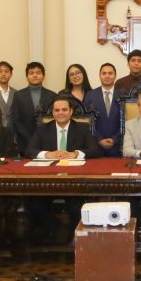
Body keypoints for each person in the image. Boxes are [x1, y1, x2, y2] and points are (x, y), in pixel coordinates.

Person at [25, 97, 97, 243]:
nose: (60, 113)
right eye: (57, 110)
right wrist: (47, 154)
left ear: (71, 112)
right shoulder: (42, 129)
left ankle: (73, 235)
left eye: (64, 109)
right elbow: (29, 150)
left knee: (75, 206)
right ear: (52, 113)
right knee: (34, 204)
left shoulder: (82, 128)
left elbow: (94, 150)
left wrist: (75, 154)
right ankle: (56, 227)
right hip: (47, 181)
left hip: (74, 181)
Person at [11, 62, 56, 155]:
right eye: (31, 73)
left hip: (48, 142)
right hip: (25, 142)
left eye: (38, 73)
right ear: (27, 77)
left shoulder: (53, 95)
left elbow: (56, 119)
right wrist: (30, 138)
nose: (35, 75)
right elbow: (16, 120)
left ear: (43, 76)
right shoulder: (18, 95)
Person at [85, 62, 122, 157]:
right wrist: (99, 139)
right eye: (104, 73)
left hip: (119, 147)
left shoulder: (123, 94)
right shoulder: (90, 95)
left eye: (110, 73)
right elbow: (86, 121)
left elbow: (127, 121)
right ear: (99, 75)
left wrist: (115, 139)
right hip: (95, 147)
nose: (107, 76)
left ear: (115, 75)